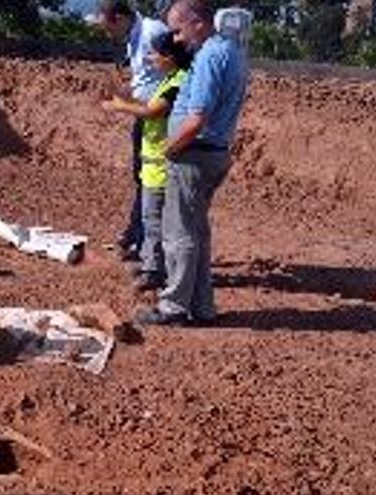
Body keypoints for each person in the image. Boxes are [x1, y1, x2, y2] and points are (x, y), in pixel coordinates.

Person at [135, 0, 249, 326]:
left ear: (198, 22)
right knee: (197, 232)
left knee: (179, 232)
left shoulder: (212, 55)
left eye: (178, 29)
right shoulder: (232, 52)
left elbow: (197, 118)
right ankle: (202, 307)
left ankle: (173, 307)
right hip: (212, 153)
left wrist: (170, 149)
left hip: (195, 154)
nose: (177, 39)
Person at [101, 30, 192, 291]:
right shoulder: (172, 79)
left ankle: (154, 271)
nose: (150, 58)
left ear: (169, 57)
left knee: (154, 220)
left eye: (155, 53)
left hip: (162, 165)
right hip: (156, 164)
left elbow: (152, 111)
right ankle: (152, 263)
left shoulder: (177, 82)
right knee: (153, 218)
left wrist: (119, 106)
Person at [97, 0, 169, 262]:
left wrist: (121, 104)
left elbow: (172, 69)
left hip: (160, 117)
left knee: (151, 180)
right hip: (145, 115)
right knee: (142, 176)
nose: (108, 34)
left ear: (120, 18)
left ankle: (141, 241)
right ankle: (136, 236)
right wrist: (127, 92)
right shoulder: (134, 36)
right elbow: (145, 77)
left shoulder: (153, 32)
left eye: (108, 28)